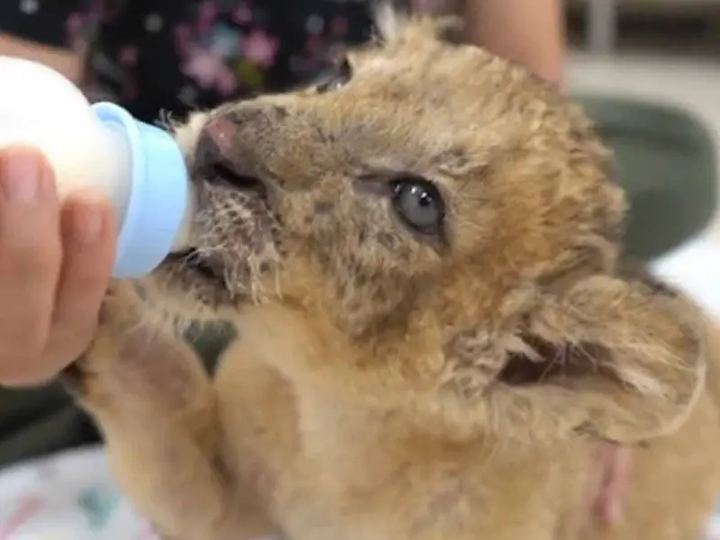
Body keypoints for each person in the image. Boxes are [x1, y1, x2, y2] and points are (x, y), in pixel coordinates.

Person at [0, 0, 626, 531]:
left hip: (377, 328)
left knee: (681, 156)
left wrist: (579, 309)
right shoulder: (263, 385)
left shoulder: (493, 497)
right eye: (342, 79)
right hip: (136, 143)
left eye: (417, 202)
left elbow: (525, 108)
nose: (232, 133)